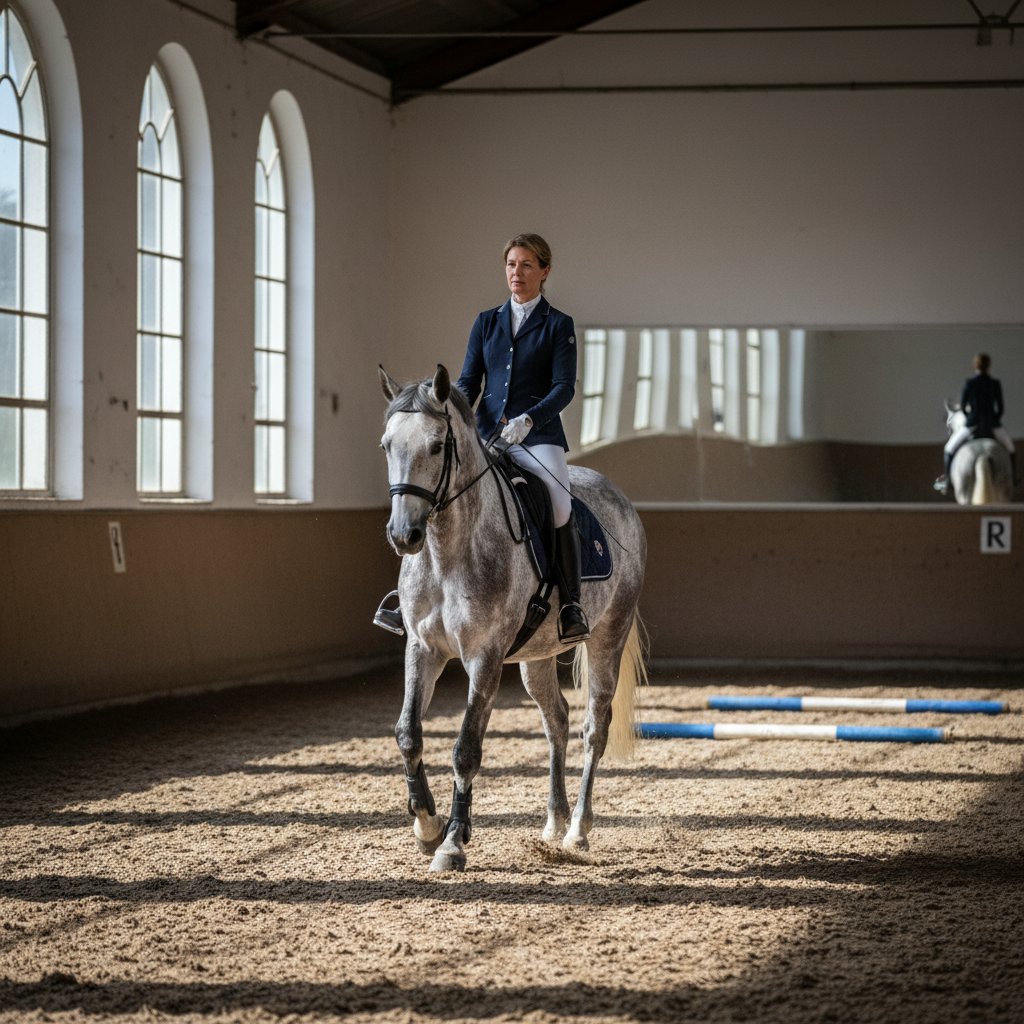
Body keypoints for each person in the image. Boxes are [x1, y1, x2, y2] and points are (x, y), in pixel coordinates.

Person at [374, 233, 590, 644]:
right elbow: (469, 382)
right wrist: (447, 411)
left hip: (537, 437)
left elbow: (564, 387)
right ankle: (407, 598)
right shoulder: (487, 321)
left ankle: (570, 603)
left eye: (526, 265)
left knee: (560, 504)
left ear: (544, 271)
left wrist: (530, 419)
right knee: (438, 493)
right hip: (488, 433)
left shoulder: (558, 325)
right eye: (511, 264)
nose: (516, 272)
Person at [934, 352, 1016, 494]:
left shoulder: (970, 383)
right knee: (1011, 449)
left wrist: (970, 418)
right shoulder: (995, 383)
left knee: (948, 449)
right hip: (992, 425)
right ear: (989, 366)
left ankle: (947, 481)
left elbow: (963, 406)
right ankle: (1013, 478)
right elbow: (1001, 408)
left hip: (972, 424)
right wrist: (994, 419)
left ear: (975, 366)